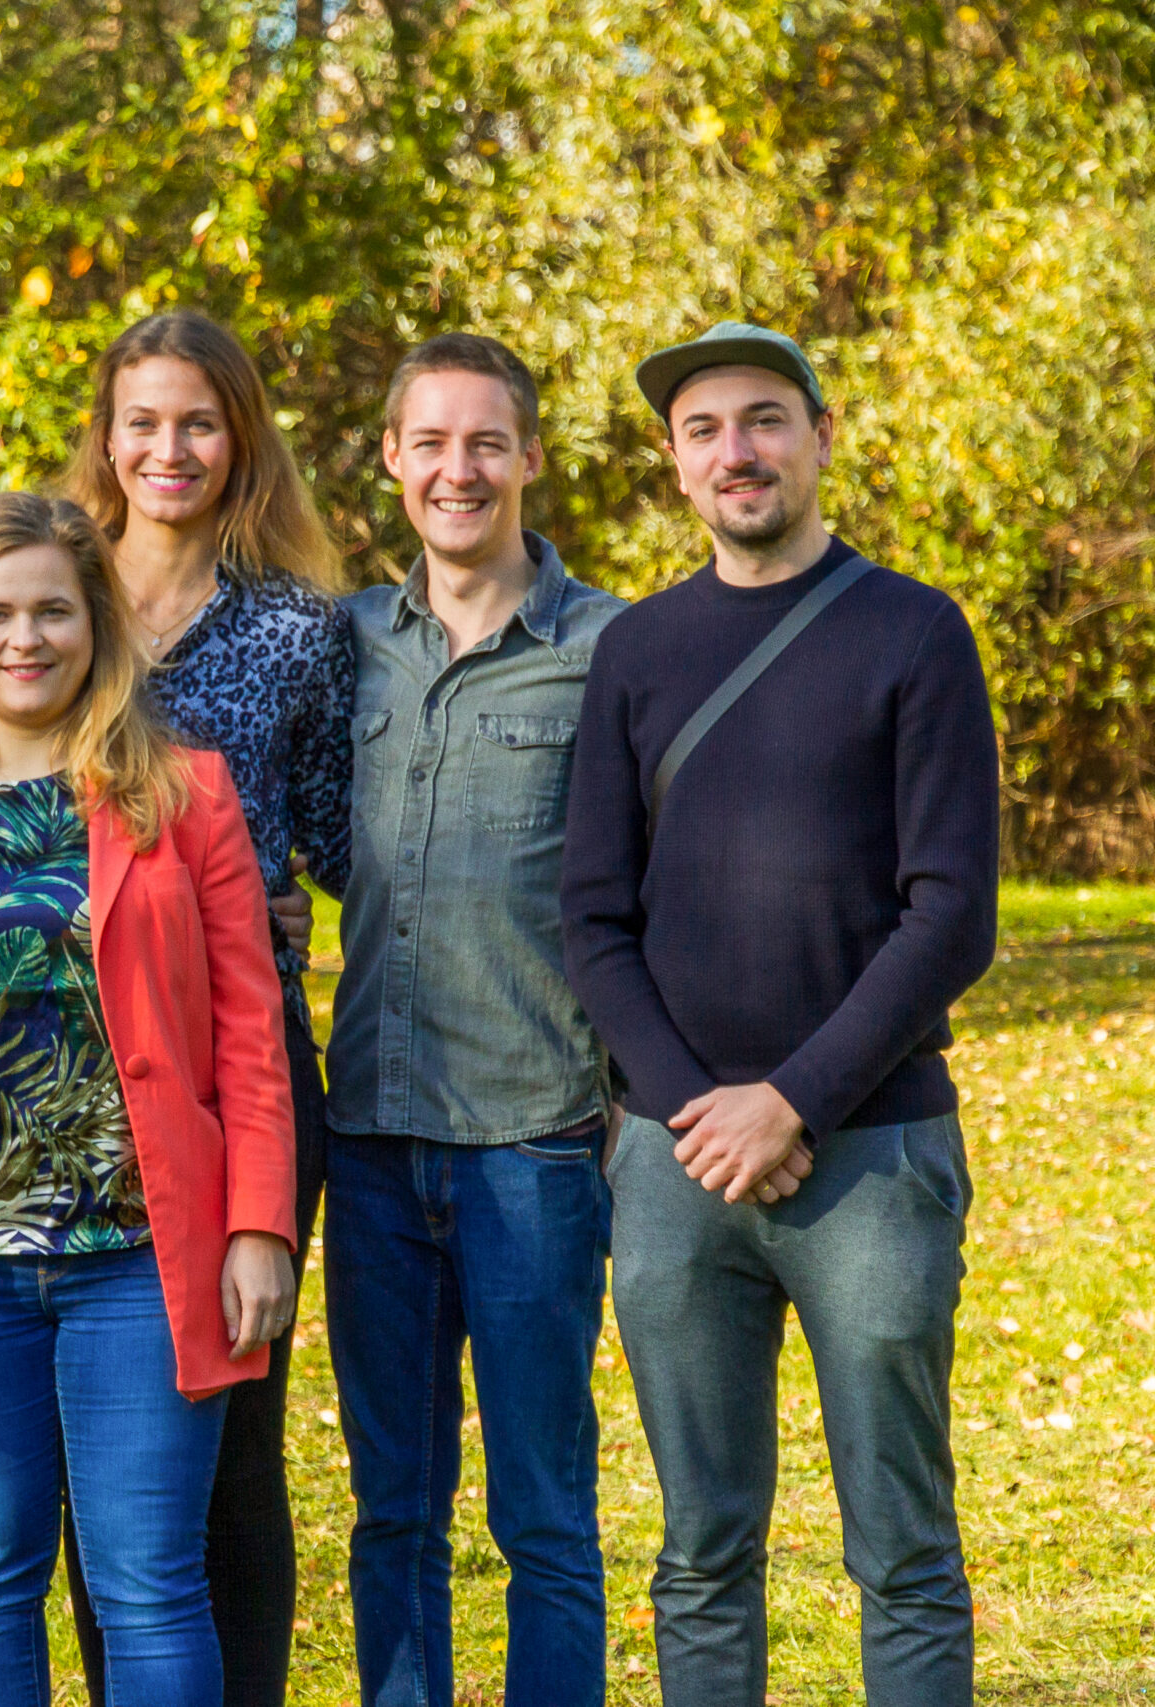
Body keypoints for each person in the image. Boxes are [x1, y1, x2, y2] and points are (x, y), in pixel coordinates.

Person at [562, 322, 998, 1707]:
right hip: (675, 1161)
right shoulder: (636, 649)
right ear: (676, 464)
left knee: (905, 1545)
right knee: (699, 1547)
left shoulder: (915, 632)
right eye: (704, 430)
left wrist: (790, 1098)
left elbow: (951, 914)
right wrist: (698, 1107)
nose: (735, 451)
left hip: (870, 1158)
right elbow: (591, 914)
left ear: (820, 434)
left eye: (762, 420)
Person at [0, 490, 299, 1707]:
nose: (23, 638)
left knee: (148, 1581)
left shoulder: (184, 793)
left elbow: (249, 1034)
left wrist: (257, 1225)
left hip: (144, 1254)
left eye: (51, 610)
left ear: (96, 624)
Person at [55, 309, 352, 1705]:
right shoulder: (48, 596)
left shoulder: (302, 629)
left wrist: (277, 898)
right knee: (92, 1441)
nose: (168, 448)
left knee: (234, 1428)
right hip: (54, 1064)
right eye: (144, 421)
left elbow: (347, 843)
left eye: (198, 422)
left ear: (239, 443)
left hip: (240, 1063)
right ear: (106, 441)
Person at [325, 333, 625, 1706]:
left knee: (544, 1516)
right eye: (431, 442)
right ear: (391, 459)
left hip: (535, 1143)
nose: (459, 469)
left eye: (486, 442)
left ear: (532, 460)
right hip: (371, 1146)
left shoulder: (611, 650)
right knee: (393, 1509)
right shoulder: (347, 648)